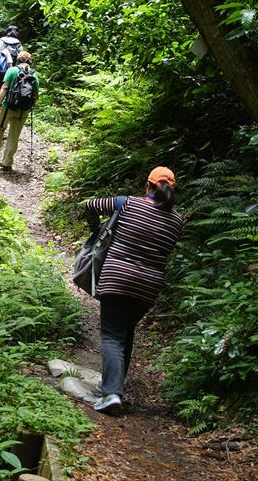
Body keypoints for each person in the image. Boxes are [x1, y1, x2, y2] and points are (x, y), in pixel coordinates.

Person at [84, 167, 182, 415]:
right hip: (147, 288)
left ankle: (111, 394)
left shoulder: (127, 204)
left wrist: (96, 230)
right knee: (124, 333)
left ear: (148, 185)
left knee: (111, 336)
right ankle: (112, 388)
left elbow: (90, 205)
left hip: (117, 278)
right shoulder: (177, 221)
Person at [0, 51, 39, 171]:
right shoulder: (34, 76)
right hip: (23, 110)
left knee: (0, 127)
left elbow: (4, 87)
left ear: (19, 60)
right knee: (14, 135)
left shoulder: (12, 71)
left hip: (8, 106)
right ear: (30, 62)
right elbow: (36, 95)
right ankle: (7, 162)